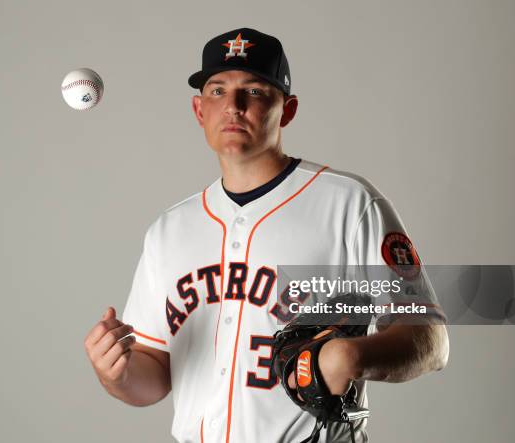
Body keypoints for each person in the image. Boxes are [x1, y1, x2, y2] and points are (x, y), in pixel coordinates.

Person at [84, 27, 449, 443]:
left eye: (255, 91)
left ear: (287, 110)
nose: (233, 107)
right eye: (217, 91)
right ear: (199, 110)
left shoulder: (349, 204)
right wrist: (117, 374)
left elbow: (432, 339)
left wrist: (354, 356)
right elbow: (154, 372)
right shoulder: (169, 230)